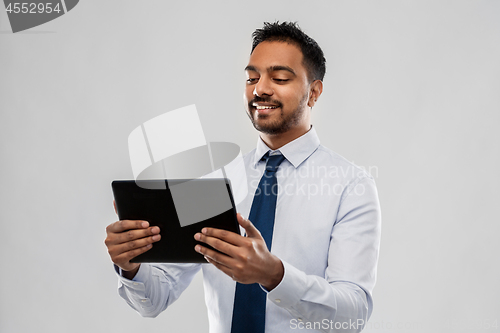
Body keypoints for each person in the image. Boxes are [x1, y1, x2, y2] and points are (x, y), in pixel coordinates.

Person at [105, 21, 381, 333]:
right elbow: (154, 300)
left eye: (278, 77)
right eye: (252, 78)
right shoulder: (212, 182)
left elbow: (352, 316)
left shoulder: (351, 186)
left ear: (313, 93)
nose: (260, 88)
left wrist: (274, 275)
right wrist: (131, 266)